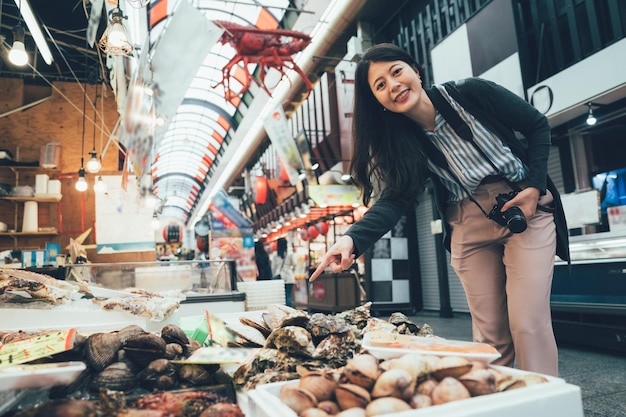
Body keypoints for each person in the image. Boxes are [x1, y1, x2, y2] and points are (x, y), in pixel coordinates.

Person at [310, 43, 569, 377]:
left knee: (527, 323)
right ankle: (494, 403)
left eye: (396, 71)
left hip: (525, 208)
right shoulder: (402, 141)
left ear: (415, 70)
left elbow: (537, 125)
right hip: (466, 220)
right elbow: (395, 198)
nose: (394, 85)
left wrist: (535, 187)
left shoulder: (471, 94)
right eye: (380, 86)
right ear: (378, 102)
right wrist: (351, 240)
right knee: (489, 336)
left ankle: (544, 406)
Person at [272, 237, 296, 306]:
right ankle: (289, 311)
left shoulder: (275, 254)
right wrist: (291, 270)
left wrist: (274, 275)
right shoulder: (290, 253)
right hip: (289, 276)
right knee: (288, 295)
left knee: (280, 296)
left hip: (279, 277)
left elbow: (273, 267)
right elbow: (295, 264)